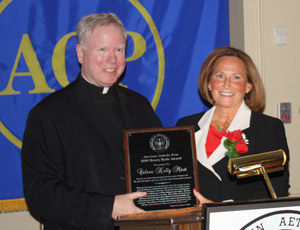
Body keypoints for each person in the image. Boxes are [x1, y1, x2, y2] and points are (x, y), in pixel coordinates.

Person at [21, 13, 162, 230]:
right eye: (102, 50)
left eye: (119, 50)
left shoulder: (140, 106)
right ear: (80, 53)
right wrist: (108, 207)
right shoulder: (48, 114)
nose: (112, 59)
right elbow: (41, 194)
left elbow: (162, 165)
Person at [176, 46, 290, 203]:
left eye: (236, 77)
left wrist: (221, 209)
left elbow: (277, 187)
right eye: (220, 76)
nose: (227, 84)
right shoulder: (185, 125)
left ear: (248, 86)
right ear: (209, 83)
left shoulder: (267, 128)